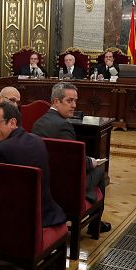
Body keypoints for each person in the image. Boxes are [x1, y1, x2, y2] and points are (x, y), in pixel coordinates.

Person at [32, 82, 111, 232]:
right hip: (66, 187)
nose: (74, 105)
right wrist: (92, 162)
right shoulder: (64, 126)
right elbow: (75, 163)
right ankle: (95, 225)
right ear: (56, 101)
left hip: (45, 181)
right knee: (100, 169)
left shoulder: (38, 123)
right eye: (69, 101)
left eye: (75, 100)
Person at [0, 102, 66, 227]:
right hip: (48, 212)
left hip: (22, 220)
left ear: (12, 123)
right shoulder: (37, 140)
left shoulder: (1, 149)